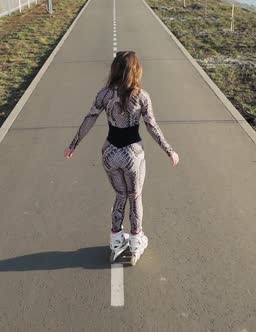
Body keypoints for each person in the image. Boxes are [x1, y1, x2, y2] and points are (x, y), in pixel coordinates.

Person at [64, 51, 179, 264]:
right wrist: (169, 150)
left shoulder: (104, 94)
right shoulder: (142, 96)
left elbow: (89, 118)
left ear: (115, 69)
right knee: (135, 197)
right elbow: (152, 126)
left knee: (120, 195)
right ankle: (135, 242)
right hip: (132, 155)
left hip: (109, 153)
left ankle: (116, 241)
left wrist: (73, 145)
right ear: (136, 70)